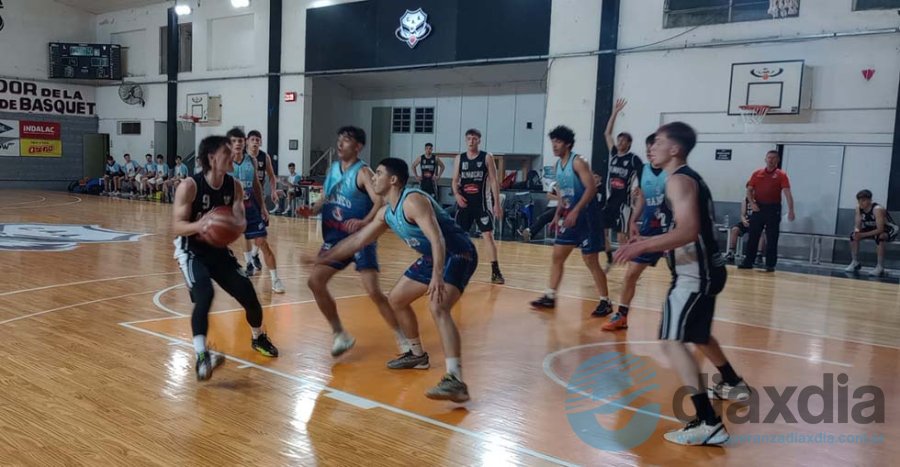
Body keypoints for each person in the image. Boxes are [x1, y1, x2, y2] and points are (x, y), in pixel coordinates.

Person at [615, 122, 749, 446]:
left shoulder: (678, 180)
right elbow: (688, 227)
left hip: (694, 275)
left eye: (658, 142)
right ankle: (733, 383)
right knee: (699, 334)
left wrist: (641, 246)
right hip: (707, 270)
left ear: (675, 149)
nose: (651, 148)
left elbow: (688, 231)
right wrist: (650, 238)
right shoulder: (687, 178)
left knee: (671, 341)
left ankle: (708, 421)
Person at [305, 157, 477, 402]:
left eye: (378, 173)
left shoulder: (413, 201)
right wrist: (321, 259)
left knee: (438, 307)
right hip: (433, 255)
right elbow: (357, 241)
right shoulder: (386, 213)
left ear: (393, 180)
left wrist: (437, 275)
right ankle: (416, 355)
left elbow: (437, 237)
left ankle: (455, 380)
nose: (373, 177)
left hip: (459, 253)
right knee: (396, 299)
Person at [171, 135, 279, 381]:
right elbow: (177, 226)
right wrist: (203, 224)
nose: (233, 157)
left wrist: (232, 225)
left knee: (249, 296)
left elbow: (240, 221)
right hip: (191, 250)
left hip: (218, 251)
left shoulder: (235, 187)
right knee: (205, 295)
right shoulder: (189, 186)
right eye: (227, 153)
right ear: (212, 158)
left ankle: (258, 336)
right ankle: (202, 357)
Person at [298, 126, 407, 358]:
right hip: (334, 238)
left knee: (373, 291)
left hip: (360, 239)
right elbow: (326, 197)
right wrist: (312, 210)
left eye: (346, 140)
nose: (340, 144)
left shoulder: (363, 172)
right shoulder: (333, 168)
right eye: (339, 139)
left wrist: (363, 221)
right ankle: (340, 333)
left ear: (357, 146)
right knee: (315, 282)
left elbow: (379, 202)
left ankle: (402, 336)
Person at [528, 126, 611, 316]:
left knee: (591, 260)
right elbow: (563, 195)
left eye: (557, 142)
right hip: (570, 217)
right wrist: (558, 214)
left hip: (588, 218)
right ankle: (550, 296)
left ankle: (605, 301)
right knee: (557, 256)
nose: (554, 146)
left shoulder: (578, 162)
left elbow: (591, 189)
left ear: (567, 144)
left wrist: (576, 211)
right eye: (553, 142)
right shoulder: (558, 166)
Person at [603, 133, 670, 331]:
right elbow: (642, 197)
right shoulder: (645, 170)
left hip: (672, 231)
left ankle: (688, 318)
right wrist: (634, 219)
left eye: (655, 147)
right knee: (631, 274)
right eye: (648, 148)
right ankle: (621, 316)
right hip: (649, 230)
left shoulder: (673, 173)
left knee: (681, 277)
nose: (651, 151)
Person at [226, 127, 284, 293]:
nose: (237, 144)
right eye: (234, 141)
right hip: (232, 207)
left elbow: (257, 185)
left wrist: (263, 207)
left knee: (262, 243)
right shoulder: (224, 161)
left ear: (244, 142)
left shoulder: (251, 160)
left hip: (250, 206)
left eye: (240, 141)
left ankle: (275, 280)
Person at [451, 129, 505, 284]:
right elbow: (455, 180)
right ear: (465, 140)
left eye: (474, 139)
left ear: (479, 141)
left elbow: (494, 181)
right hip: (465, 204)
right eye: (468, 138)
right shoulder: (459, 159)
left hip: (481, 204)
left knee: (488, 236)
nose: (471, 141)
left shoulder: (487, 157)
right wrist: (456, 195)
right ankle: (457, 268)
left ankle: (495, 271)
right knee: (459, 236)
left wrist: (496, 204)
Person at [602, 98, 644, 266]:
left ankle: (630, 267)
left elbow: (643, 176)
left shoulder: (634, 159)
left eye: (623, 141)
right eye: (619, 140)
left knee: (621, 236)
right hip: (610, 201)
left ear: (629, 144)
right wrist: (615, 112)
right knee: (601, 231)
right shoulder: (613, 154)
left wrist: (639, 189)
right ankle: (609, 255)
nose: (619, 143)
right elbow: (607, 134)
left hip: (624, 204)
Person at [738, 150, 795, 272]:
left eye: (774, 158)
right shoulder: (757, 174)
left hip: (773, 209)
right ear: (765, 159)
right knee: (753, 235)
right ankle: (748, 261)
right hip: (759, 207)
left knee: (772, 236)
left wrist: (791, 210)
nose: (771, 160)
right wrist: (752, 203)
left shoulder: (781, 175)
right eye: (769, 158)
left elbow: (787, 193)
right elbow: (749, 190)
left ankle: (770, 264)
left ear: (777, 160)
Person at [245, 130, 279, 270]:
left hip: (258, 196)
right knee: (245, 230)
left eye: (258, 140)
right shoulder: (241, 157)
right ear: (247, 141)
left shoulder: (264, 157)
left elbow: (271, 176)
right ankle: (249, 262)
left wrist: (273, 190)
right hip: (244, 196)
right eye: (252, 139)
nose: (255, 142)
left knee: (261, 229)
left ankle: (254, 255)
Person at [846, 189, 898, 277]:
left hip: (889, 229)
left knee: (879, 236)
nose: (861, 203)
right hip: (872, 228)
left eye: (863, 200)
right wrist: (857, 232)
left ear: (870, 200)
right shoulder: (858, 208)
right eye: (859, 200)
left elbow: (880, 229)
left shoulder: (877, 209)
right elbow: (857, 225)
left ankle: (880, 267)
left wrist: (863, 235)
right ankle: (854, 262)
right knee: (853, 236)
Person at [724, 195, 766, 264]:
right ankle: (731, 252)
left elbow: (763, 214)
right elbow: (742, 215)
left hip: (757, 222)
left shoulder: (762, 200)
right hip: (747, 222)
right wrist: (744, 221)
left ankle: (759, 255)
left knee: (762, 233)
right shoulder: (745, 200)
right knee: (735, 229)